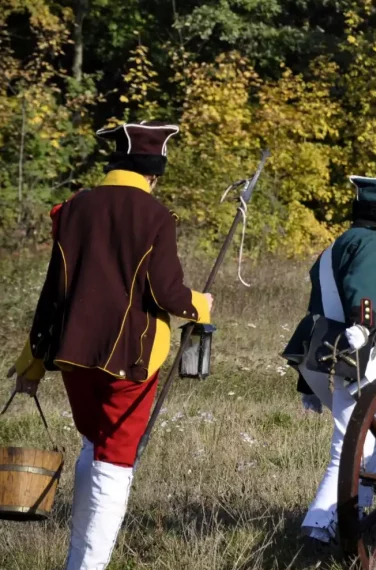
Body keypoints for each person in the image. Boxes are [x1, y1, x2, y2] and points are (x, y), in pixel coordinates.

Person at [8, 121, 213, 570]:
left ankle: (76, 562)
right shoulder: (155, 216)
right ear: (153, 171)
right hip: (131, 359)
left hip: (71, 352)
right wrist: (202, 304)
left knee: (92, 444)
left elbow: (53, 291)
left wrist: (32, 362)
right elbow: (167, 294)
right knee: (115, 462)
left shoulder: (75, 207)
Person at [281, 174, 376, 545]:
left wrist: (308, 383)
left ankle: (358, 514)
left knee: (371, 437)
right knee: (352, 444)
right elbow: (361, 289)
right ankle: (319, 525)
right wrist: (363, 327)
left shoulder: (338, 243)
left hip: (322, 355)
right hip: (355, 353)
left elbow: (319, 308)